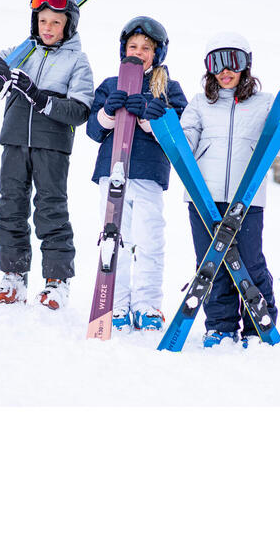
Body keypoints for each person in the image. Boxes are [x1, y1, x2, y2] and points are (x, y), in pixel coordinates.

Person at [180, 32, 280, 347]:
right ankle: (221, 326)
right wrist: (164, 124)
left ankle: (257, 326)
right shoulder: (199, 104)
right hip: (203, 197)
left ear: (246, 65)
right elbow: (185, 145)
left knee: (250, 262)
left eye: (233, 61)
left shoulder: (264, 104)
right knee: (211, 264)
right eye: (217, 63)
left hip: (248, 198)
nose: (225, 70)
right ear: (208, 68)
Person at [0, 0, 94, 310]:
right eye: (43, 21)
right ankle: (13, 276)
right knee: (10, 207)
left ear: (68, 26)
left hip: (51, 146)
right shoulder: (22, 52)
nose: (48, 28)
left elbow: (80, 110)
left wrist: (39, 97)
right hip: (14, 140)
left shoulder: (77, 62)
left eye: (56, 22)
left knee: (50, 209)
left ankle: (57, 281)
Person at [87, 17, 188, 332]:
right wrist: (108, 113)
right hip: (112, 171)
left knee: (148, 240)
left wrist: (152, 119)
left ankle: (147, 304)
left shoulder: (168, 89)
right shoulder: (109, 84)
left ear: (158, 53)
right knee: (115, 239)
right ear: (123, 49)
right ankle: (115, 304)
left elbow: (179, 135)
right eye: (134, 46)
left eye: (147, 47)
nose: (140, 52)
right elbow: (93, 130)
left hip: (147, 173)